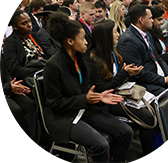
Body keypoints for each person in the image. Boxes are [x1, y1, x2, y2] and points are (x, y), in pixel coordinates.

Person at [44, 11, 133, 163]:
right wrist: (85, 99)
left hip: (85, 109)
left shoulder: (82, 58)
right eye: (83, 38)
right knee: (101, 145)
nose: (87, 42)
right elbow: (55, 103)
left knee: (126, 132)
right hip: (64, 117)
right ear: (70, 41)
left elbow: (87, 90)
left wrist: (99, 96)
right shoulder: (53, 65)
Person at [88, 19, 158, 163]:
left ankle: (149, 155)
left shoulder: (112, 52)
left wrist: (128, 73)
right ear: (106, 36)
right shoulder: (93, 59)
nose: (119, 35)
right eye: (115, 32)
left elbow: (117, 77)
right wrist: (125, 74)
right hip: (105, 101)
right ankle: (146, 158)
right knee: (147, 117)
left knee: (153, 108)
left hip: (119, 92)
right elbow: (103, 88)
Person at [117, 4, 168, 97]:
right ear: (141, 20)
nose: (152, 21)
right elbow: (139, 73)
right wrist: (165, 80)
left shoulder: (147, 33)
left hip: (157, 76)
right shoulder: (128, 41)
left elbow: (157, 59)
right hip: (144, 83)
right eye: (150, 18)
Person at [3, 10, 46, 88]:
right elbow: (16, 71)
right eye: (24, 23)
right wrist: (40, 69)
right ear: (15, 27)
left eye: (29, 21)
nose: (29, 25)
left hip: (42, 71)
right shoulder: (10, 43)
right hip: (28, 79)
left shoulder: (33, 35)